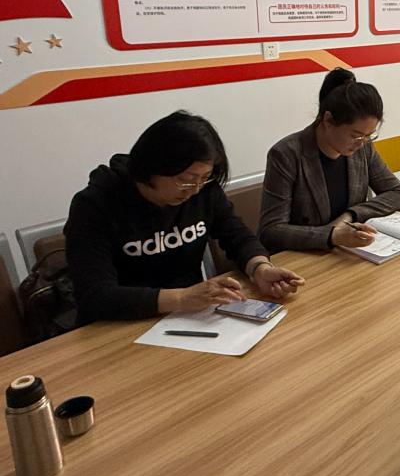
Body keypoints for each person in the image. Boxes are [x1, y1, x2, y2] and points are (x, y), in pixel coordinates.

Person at [66, 111, 304, 323]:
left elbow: (237, 236)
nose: (195, 189)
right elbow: (95, 295)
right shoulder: (95, 204)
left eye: (204, 178)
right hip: (117, 325)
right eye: (186, 180)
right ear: (154, 167)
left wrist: (260, 268)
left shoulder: (203, 190)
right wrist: (181, 297)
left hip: (187, 318)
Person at [259, 68, 400, 253]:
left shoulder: (363, 148)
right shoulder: (287, 154)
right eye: (355, 135)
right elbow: (271, 231)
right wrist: (332, 235)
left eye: (369, 135)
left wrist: (351, 215)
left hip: (348, 253)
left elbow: (397, 193)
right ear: (328, 120)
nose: (361, 143)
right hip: (304, 256)